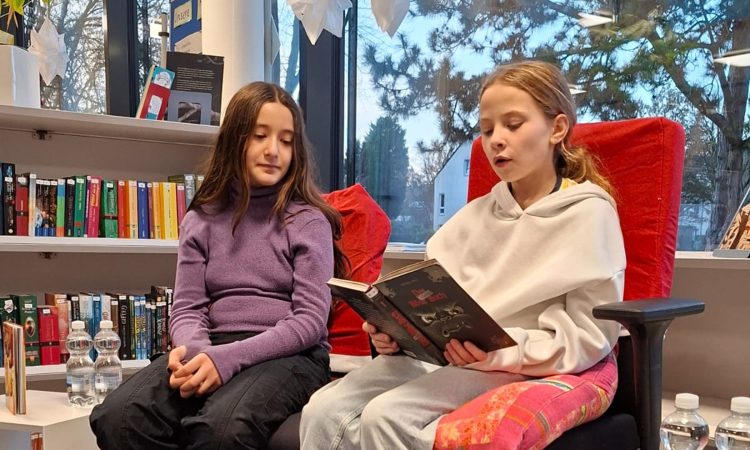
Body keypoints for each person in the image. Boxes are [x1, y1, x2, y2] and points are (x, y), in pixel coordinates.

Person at [299, 60, 626, 450]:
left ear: (557, 129)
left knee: (387, 416)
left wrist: (505, 351)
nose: (496, 140)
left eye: (513, 124)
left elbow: (591, 334)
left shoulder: (588, 213)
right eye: (487, 130)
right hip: (449, 358)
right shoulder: (473, 217)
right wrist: (395, 333)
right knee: (322, 409)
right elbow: (433, 306)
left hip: (520, 364)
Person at [90, 81, 347, 450]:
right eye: (260, 135)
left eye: (286, 141)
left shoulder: (308, 222)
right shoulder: (201, 219)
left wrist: (227, 359)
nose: (273, 150)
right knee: (119, 418)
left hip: (291, 355)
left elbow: (309, 322)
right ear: (235, 139)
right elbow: (187, 308)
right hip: (213, 345)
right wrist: (197, 353)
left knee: (222, 430)